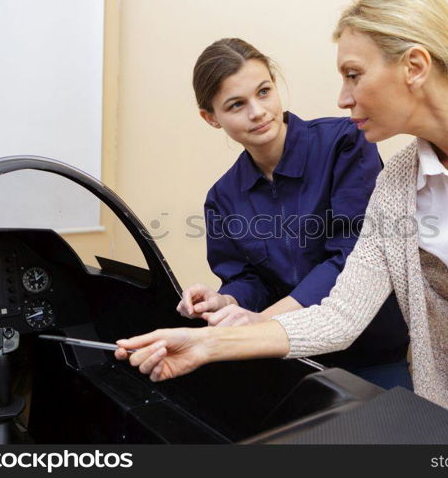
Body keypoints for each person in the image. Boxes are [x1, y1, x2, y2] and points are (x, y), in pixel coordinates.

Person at [116, 0, 448, 443]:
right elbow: (341, 315)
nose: (342, 98)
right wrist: (208, 342)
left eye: (353, 75)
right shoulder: (398, 184)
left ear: (413, 65)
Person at [173, 38, 411, 389]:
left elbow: (353, 254)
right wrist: (227, 299)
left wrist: (263, 324)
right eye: (237, 104)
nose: (257, 112)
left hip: (372, 355)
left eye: (264, 92)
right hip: (291, 362)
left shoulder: (345, 143)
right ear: (211, 118)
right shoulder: (222, 198)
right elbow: (250, 278)